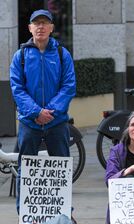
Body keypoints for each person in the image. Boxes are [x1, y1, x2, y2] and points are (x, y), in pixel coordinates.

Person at [9, 9, 76, 212]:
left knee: (61, 171)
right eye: (36, 23)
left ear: (51, 28)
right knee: (26, 171)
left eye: (44, 23)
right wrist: (36, 112)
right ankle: (25, 215)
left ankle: (64, 213)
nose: (40, 27)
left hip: (57, 123)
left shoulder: (62, 54)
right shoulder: (20, 56)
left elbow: (69, 86)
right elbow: (17, 88)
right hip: (30, 123)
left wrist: (50, 112)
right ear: (29, 28)